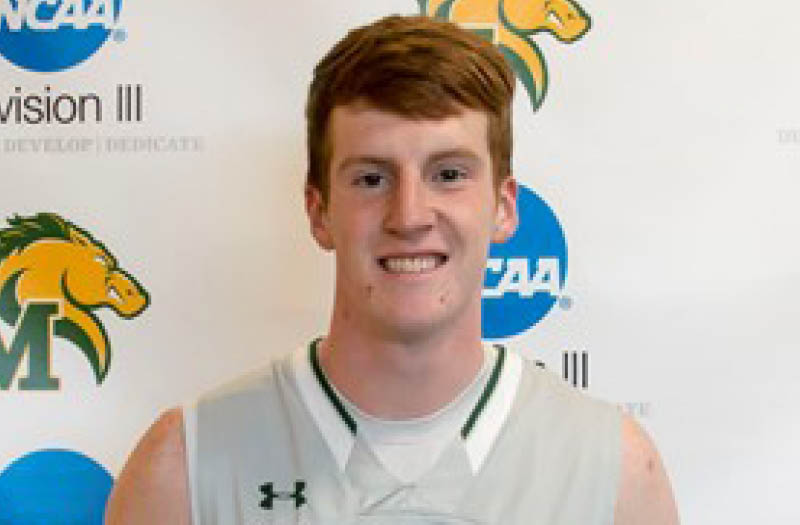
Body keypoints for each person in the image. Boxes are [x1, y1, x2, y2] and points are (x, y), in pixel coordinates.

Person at [105, 14, 679, 524]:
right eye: (372, 179)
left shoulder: (616, 473)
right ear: (319, 211)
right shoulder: (183, 467)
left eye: (448, 174)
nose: (409, 216)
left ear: (504, 208)